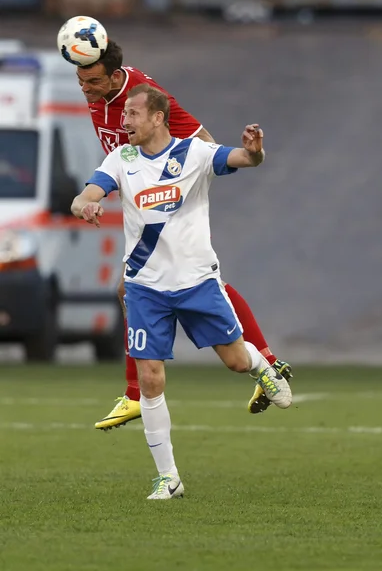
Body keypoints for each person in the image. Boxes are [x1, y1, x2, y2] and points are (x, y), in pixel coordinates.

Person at [71, 84, 292, 499]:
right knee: (150, 378)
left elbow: (245, 159)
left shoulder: (195, 154)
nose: (125, 121)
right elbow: (88, 190)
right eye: (125, 115)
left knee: (236, 362)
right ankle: (168, 478)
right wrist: (85, 204)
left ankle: (263, 368)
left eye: (133, 114)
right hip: (144, 286)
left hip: (196, 281)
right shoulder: (123, 158)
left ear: (157, 117)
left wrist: (256, 150)